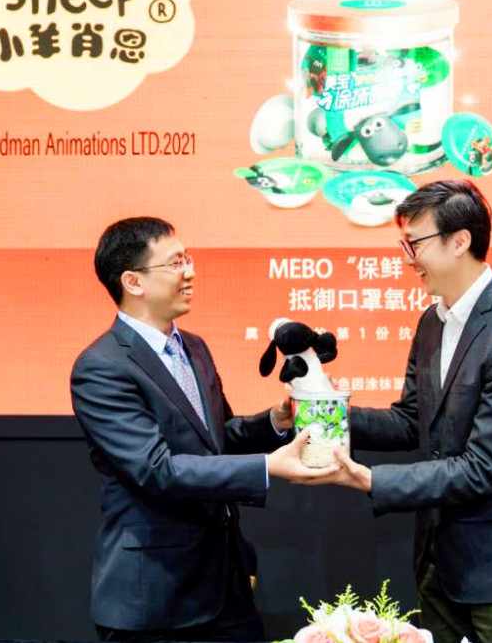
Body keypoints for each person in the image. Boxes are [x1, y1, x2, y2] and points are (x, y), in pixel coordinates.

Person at [306, 180, 492, 643]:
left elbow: (484, 468)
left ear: (459, 241)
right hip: (437, 561)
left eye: (415, 243)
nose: (408, 258)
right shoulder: (432, 321)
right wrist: (324, 413)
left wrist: (371, 479)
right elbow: (410, 421)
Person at [71, 217, 330, 643]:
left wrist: (273, 421)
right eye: (175, 263)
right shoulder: (101, 366)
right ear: (133, 282)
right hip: (155, 597)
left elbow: (216, 439)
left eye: (188, 259)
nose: (190, 272)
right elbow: (156, 470)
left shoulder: (194, 347)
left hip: (225, 584)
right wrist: (267, 467)